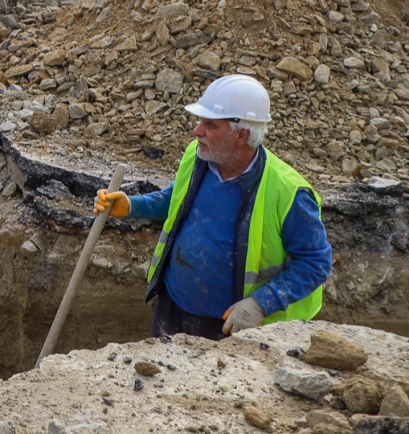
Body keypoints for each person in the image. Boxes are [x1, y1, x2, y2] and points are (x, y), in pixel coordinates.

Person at [94, 74, 332, 340]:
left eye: (210, 124)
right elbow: (178, 198)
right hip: (172, 307)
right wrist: (132, 206)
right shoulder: (198, 156)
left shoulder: (288, 193)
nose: (197, 131)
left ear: (241, 135)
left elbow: (315, 263)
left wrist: (261, 303)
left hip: (231, 328)